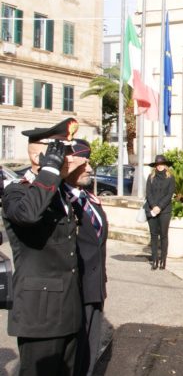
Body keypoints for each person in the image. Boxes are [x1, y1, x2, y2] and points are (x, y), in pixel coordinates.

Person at [2, 118, 85, 375]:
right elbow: (28, 215)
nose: (70, 159)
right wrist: (48, 171)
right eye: (63, 152)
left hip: (68, 310)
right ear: (41, 157)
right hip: (40, 314)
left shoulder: (59, 193)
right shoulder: (17, 191)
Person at [66, 140, 108, 376]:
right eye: (84, 161)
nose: (90, 168)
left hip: (95, 288)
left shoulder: (90, 199)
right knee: (72, 358)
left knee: (89, 355)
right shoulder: (59, 198)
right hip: (74, 290)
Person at [145, 155, 174, 270]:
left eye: (162, 164)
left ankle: (163, 260)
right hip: (151, 210)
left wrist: (159, 207)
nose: (160, 166)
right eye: (158, 164)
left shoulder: (170, 177)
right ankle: (155, 260)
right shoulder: (150, 177)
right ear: (155, 166)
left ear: (165, 165)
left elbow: (169, 194)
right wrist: (153, 207)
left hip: (165, 210)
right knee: (153, 235)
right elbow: (148, 193)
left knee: (163, 235)